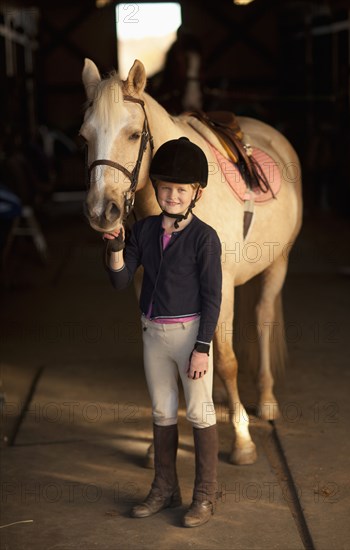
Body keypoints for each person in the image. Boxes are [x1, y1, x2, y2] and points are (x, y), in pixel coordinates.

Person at [103, 137, 222, 527]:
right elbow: (120, 283)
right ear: (156, 188)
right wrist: (117, 248)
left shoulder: (205, 238)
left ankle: (204, 495)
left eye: (181, 190)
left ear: (196, 193)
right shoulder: (145, 230)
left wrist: (203, 347)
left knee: (201, 412)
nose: (172, 196)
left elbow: (212, 298)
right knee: (162, 410)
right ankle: (165, 487)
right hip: (153, 334)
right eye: (166, 188)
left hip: (190, 336)